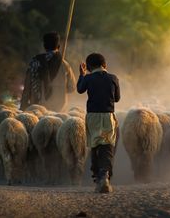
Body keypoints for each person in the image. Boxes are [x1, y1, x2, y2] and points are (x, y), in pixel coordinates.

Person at [77, 53, 120, 193]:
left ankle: (97, 177)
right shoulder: (113, 78)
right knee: (107, 146)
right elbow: (117, 98)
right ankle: (104, 175)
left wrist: (81, 75)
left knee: (95, 146)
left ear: (88, 67)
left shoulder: (88, 78)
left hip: (93, 117)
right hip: (108, 116)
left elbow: (80, 89)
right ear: (105, 65)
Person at [20, 32, 76, 112]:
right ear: (59, 46)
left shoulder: (35, 62)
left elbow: (27, 88)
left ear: (44, 46)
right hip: (58, 111)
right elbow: (72, 87)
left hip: (37, 109)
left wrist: (23, 107)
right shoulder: (65, 65)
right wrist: (60, 89)